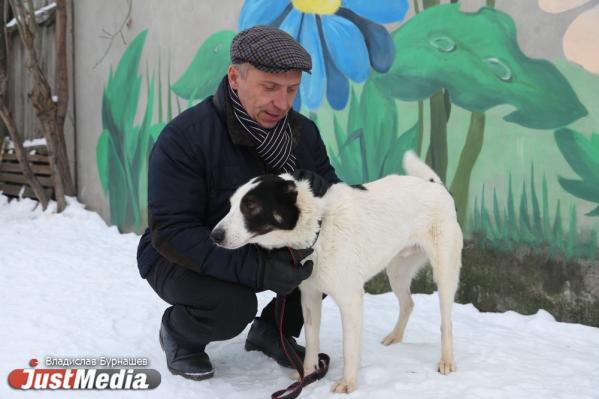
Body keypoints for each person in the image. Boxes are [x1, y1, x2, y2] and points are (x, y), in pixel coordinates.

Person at [136, 25, 340, 380]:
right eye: (270, 87)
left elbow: (336, 201)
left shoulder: (302, 134)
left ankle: (273, 331)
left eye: (292, 90)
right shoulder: (186, 137)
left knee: (329, 256)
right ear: (235, 77)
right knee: (232, 306)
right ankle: (180, 334)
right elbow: (171, 231)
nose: (283, 103)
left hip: (262, 246)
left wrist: (329, 193)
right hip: (179, 254)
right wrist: (258, 269)